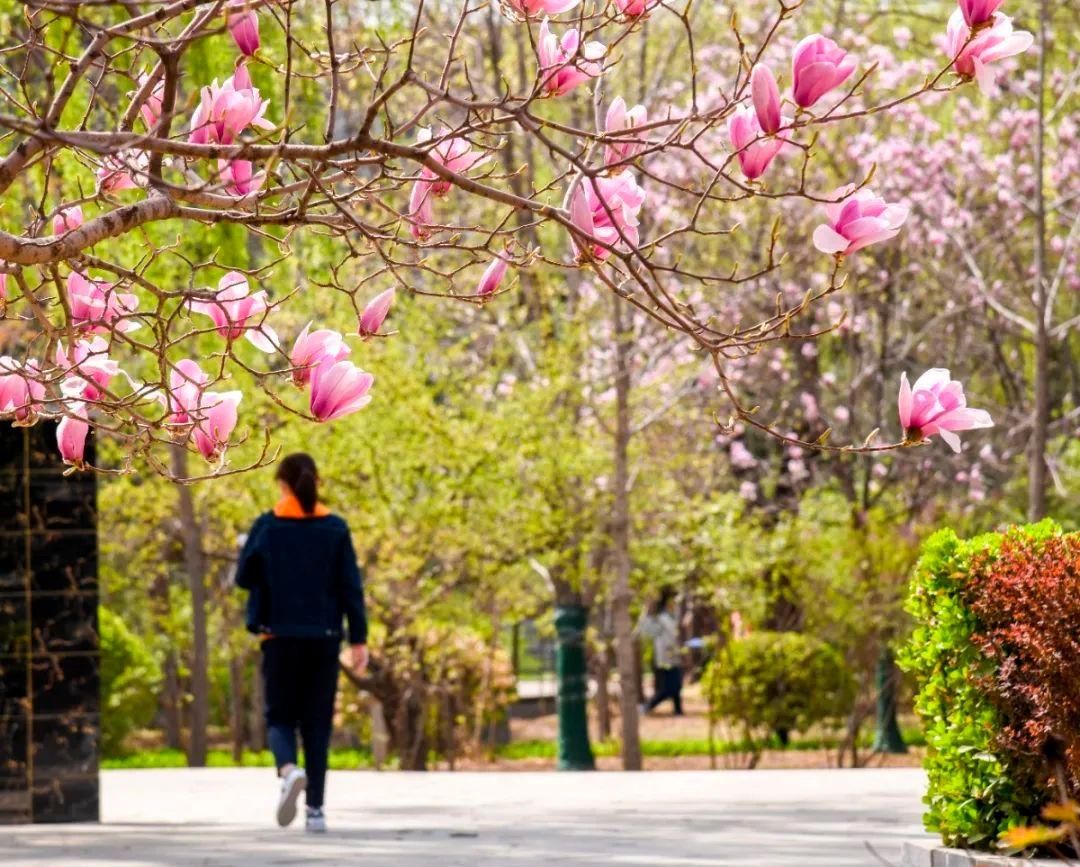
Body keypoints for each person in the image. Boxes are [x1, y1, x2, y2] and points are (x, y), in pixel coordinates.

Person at [235, 453, 368, 833]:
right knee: (317, 724)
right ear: (316, 482)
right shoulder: (336, 528)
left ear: (283, 485)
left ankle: (289, 770)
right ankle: (316, 812)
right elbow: (351, 589)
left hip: (279, 635)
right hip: (324, 638)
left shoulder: (268, 526)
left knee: (279, 717)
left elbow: (244, 577)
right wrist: (358, 638)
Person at [637, 587, 683, 716]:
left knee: (676, 687)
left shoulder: (670, 616)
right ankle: (647, 706)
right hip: (666, 659)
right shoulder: (661, 618)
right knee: (669, 688)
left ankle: (678, 711)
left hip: (674, 657)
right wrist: (645, 610)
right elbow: (645, 630)